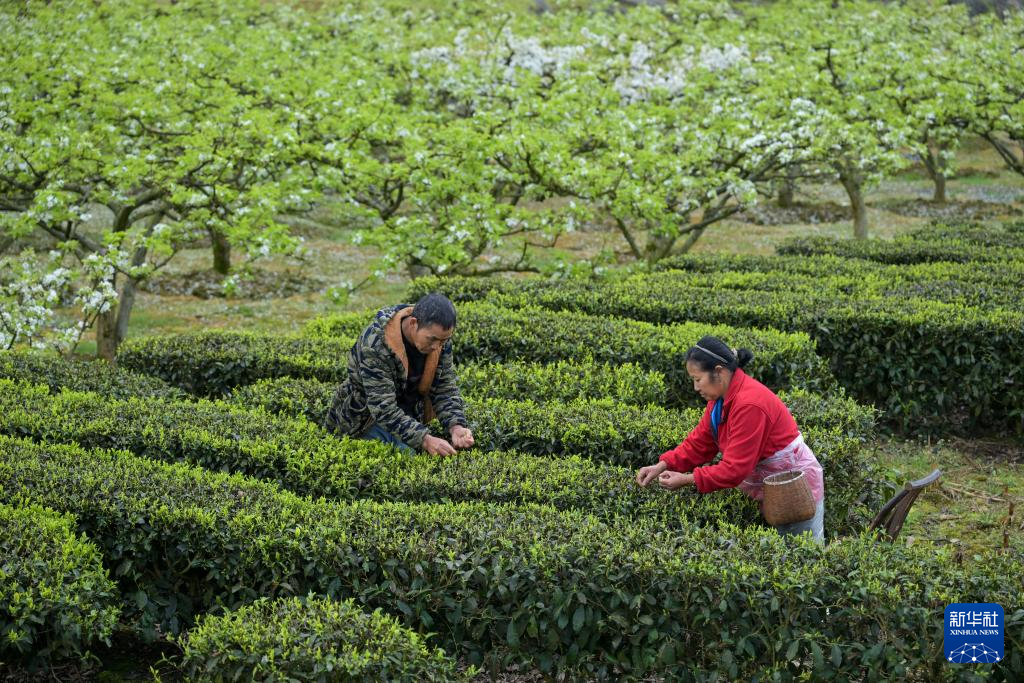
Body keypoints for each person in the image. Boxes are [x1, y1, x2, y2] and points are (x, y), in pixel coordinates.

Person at [636, 335, 826, 542]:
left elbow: (735, 469)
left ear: (718, 372)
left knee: (801, 551)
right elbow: (700, 442)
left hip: (792, 488)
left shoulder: (749, 404)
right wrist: (662, 465)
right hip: (766, 485)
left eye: (698, 379)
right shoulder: (721, 399)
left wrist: (688, 479)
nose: (695, 388)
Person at [323, 293, 474, 456]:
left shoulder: (439, 338)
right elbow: (383, 408)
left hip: (408, 413)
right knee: (409, 458)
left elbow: (444, 387)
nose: (436, 346)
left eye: (443, 341)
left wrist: (456, 426)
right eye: (432, 339)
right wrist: (425, 439)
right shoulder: (375, 345)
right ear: (414, 323)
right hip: (365, 419)